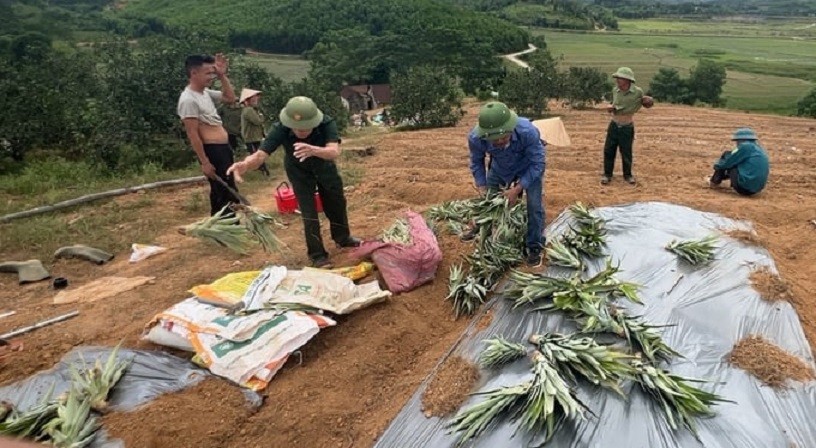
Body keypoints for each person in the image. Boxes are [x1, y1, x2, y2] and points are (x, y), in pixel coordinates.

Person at [227, 96, 360, 268]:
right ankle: (317, 255)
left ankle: (343, 238)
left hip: (324, 166)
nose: (302, 132)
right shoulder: (280, 129)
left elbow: (333, 151)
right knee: (308, 212)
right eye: (297, 128)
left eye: (306, 128)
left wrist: (313, 150)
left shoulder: (327, 123)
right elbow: (260, 155)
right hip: (298, 172)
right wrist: (246, 164)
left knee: (337, 203)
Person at [464, 101, 546, 267]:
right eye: (494, 140)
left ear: (510, 128)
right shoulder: (476, 138)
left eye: (503, 137)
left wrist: (517, 189)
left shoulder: (527, 131)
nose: (500, 141)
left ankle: (534, 245)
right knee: (489, 204)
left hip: (527, 168)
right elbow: (476, 162)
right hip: (500, 167)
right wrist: (481, 185)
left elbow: (538, 163)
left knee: (534, 207)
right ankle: (484, 235)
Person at [177, 53, 239, 216]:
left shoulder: (205, 93)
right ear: (194, 73)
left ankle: (225, 225)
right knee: (223, 190)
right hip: (212, 151)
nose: (211, 77)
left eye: (213, 73)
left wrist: (222, 75)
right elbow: (192, 134)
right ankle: (226, 226)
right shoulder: (188, 100)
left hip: (223, 148)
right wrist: (204, 162)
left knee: (228, 187)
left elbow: (231, 98)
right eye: (208, 73)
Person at [601, 67, 653, 185]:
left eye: (620, 78)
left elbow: (648, 102)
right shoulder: (615, 90)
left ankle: (628, 175)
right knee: (608, 150)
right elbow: (614, 104)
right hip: (614, 124)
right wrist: (610, 108)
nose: (617, 80)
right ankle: (607, 174)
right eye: (617, 78)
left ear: (627, 80)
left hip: (627, 126)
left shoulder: (638, 92)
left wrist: (649, 101)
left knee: (626, 151)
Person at [709, 127, 770, 196]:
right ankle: (717, 179)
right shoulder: (758, 148)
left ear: (741, 140)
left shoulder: (745, 147)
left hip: (743, 188)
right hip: (756, 189)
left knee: (727, 156)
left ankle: (714, 181)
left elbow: (728, 162)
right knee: (734, 161)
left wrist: (717, 165)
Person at [239, 88, 270, 176]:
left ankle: (263, 171)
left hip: (253, 137)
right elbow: (258, 121)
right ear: (247, 100)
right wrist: (261, 117)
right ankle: (263, 171)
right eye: (253, 97)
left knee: (257, 154)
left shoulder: (251, 110)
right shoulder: (249, 110)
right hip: (252, 138)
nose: (256, 99)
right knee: (257, 155)